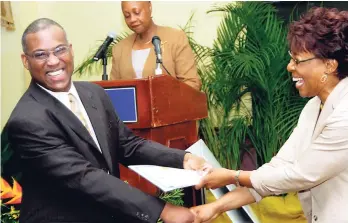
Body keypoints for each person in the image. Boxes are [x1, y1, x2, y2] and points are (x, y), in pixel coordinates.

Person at [7, 17, 208, 223]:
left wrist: (183, 159)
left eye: (59, 50)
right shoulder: (27, 120)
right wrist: (163, 210)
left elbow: (127, 145)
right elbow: (83, 177)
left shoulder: (94, 93)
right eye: (40, 54)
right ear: (25, 60)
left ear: (71, 49)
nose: (53, 61)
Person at [191, 7, 348, 223]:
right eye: (290, 58)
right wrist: (215, 207)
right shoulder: (314, 107)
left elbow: (298, 175)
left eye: (298, 60)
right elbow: (276, 171)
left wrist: (232, 175)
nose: (289, 66)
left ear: (329, 65)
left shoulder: (345, 113)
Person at [110, 1, 201, 90]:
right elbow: (113, 90)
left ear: (150, 7)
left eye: (137, 12)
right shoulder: (119, 49)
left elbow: (192, 83)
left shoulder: (175, 38)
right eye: (127, 16)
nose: (132, 19)